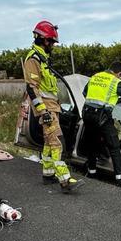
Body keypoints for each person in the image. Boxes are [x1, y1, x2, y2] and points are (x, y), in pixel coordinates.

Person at [22, 20, 80, 192]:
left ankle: (48, 174)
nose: (53, 45)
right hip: (47, 109)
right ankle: (65, 179)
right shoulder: (33, 59)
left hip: (52, 107)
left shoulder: (42, 59)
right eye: (51, 42)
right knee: (57, 142)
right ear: (44, 40)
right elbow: (31, 87)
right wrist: (43, 111)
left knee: (49, 142)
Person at [81, 61, 121, 187]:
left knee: (92, 143)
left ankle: (91, 172)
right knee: (114, 146)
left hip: (87, 114)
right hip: (102, 117)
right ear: (119, 73)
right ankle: (120, 179)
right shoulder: (116, 81)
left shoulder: (95, 76)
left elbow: (85, 93)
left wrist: (114, 98)